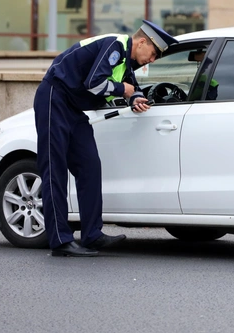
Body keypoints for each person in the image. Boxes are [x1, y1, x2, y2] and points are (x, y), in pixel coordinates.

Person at [33, 20, 178, 257]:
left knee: (89, 166)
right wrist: (124, 91)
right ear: (141, 42)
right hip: (54, 98)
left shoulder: (126, 62)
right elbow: (94, 83)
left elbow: (132, 86)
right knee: (54, 170)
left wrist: (135, 99)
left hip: (74, 109)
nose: (151, 61)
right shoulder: (115, 45)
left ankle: (92, 235)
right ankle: (60, 241)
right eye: (152, 54)